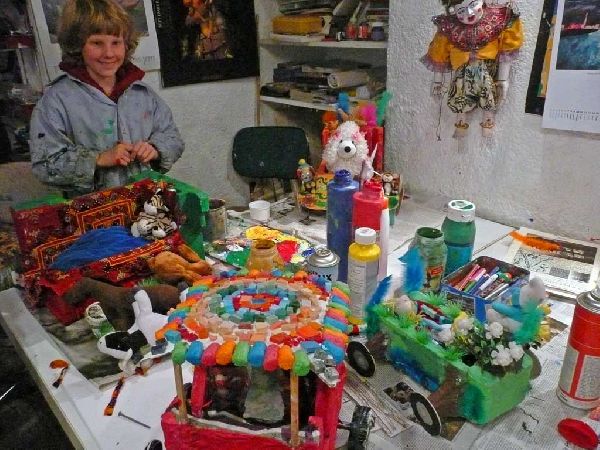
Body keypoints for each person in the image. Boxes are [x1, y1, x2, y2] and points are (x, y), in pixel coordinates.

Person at [30, 0, 184, 197]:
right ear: (77, 45)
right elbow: (44, 165)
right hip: (91, 210)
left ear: (126, 45)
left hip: (146, 204)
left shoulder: (143, 94)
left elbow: (173, 138)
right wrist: (99, 159)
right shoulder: (55, 101)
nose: (109, 53)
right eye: (97, 43)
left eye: (116, 42)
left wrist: (155, 148)